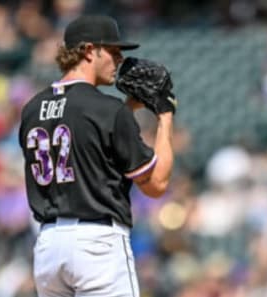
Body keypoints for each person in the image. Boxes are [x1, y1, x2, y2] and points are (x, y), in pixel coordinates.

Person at [18, 15, 174, 297]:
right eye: (113, 51)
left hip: (48, 246)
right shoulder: (108, 110)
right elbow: (157, 184)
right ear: (90, 50)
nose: (118, 60)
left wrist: (128, 110)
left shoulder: (32, 109)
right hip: (96, 244)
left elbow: (84, 141)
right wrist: (165, 114)